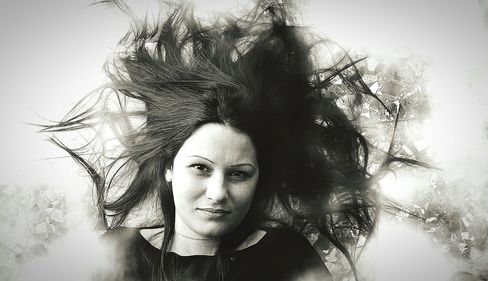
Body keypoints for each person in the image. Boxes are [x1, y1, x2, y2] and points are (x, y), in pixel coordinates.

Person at [43, 1, 399, 280]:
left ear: (259, 177)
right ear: (169, 167)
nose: (217, 193)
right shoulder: (115, 253)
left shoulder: (286, 256)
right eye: (200, 168)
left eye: (239, 174)